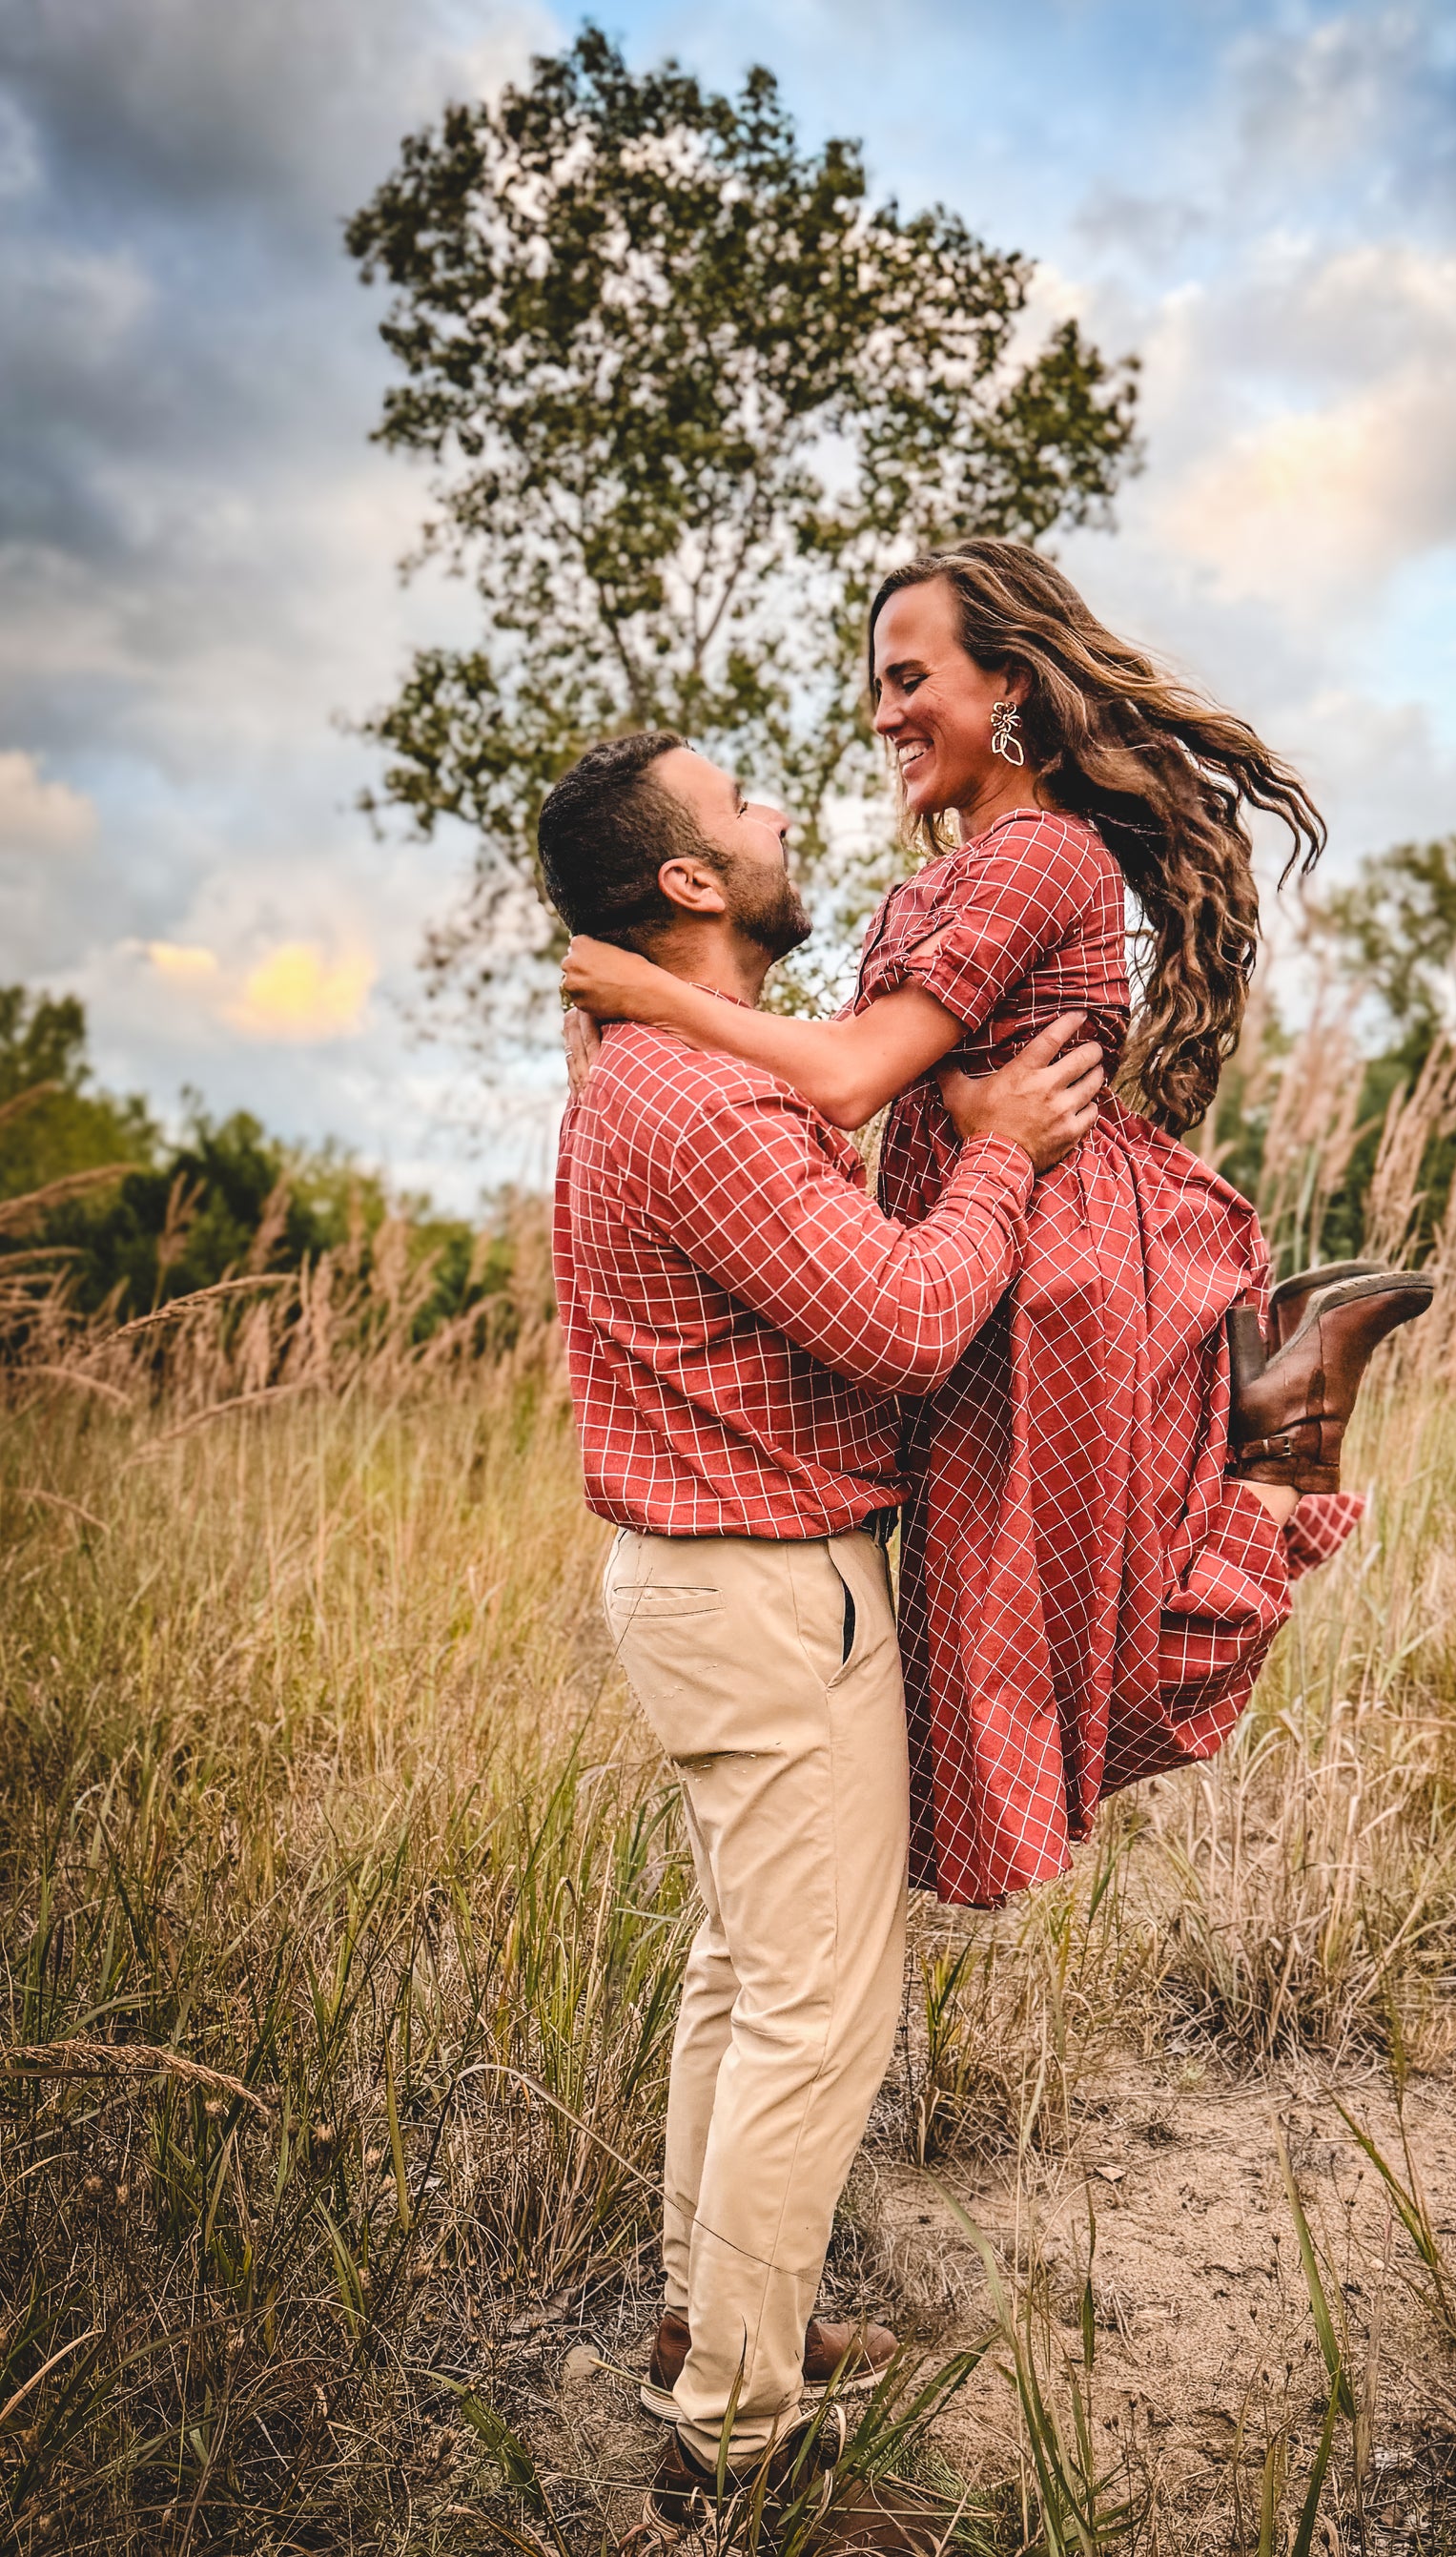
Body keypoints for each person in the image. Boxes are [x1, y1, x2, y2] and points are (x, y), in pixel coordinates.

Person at [562, 540, 1431, 1912]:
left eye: (911, 679)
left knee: (1098, 1649)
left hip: (1053, 1270)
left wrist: (648, 995)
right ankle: (1277, 1408)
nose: (879, 712)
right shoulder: (941, 879)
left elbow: (847, 1076)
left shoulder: (1041, 853)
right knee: (994, 1664)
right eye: (875, 683)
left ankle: (1285, 1435)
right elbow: (863, 1077)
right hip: (977, 1260)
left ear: (1010, 686)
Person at [543, 728, 1106, 2527]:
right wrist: (1004, 1150)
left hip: (727, 1587)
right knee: (813, 2015)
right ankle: (736, 2437)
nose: (786, 812)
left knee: (741, 1975)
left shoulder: (669, 1071)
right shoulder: (699, 1103)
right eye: (743, 807)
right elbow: (911, 1321)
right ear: (690, 884)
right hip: (766, 1597)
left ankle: (710, 2322)